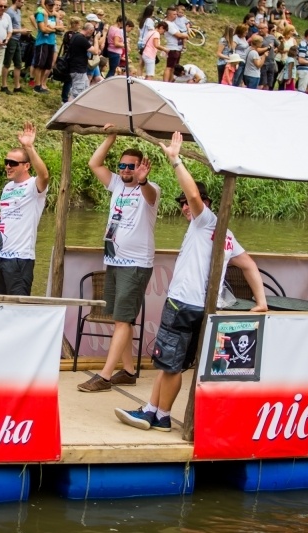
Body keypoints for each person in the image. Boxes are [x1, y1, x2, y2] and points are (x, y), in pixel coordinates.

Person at [114, 132, 267, 432]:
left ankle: (161, 414)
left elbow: (195, 198)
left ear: (207, 204)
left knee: (170, 365)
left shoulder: (205, 220)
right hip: (198, 307)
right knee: (168, 362)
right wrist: (260, 301)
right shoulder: (224, 232)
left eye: (189, 203)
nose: (186, 206)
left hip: (183, 305)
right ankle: (152, 411)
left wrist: (175, 160)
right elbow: (249, 265)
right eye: (182, 203)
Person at [77, 125, 161, 393]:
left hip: (135, 264)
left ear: (141, 168)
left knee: (124, 319)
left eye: (131, 166)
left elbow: (150, 195)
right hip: (114, 261)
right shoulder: (116, 184)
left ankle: (104, 376)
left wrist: (143, 181)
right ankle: (128, 371)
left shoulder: (150, 189)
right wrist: (110, 138)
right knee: (119, 317)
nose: (125, 170)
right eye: (122, 166)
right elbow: (94, 163)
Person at [0, 122, 50, 296]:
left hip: (19, 259)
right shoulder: (7, 188)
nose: (8, 166)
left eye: (13, 163)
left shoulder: (34, 187)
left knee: (17, 307)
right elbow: (2, 218)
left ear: (26, 166)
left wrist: (29, 147)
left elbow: (44, 175)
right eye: (6, 162)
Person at [1, 0, 29, 94]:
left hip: (17, 39)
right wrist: (21, 31)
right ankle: (4, 85)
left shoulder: (18, 11)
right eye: (21, 2)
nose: (23, 4)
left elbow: (17, 26)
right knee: (7, 63)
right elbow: (8, 28)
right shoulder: (9, 12)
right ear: (16, 1)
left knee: (18, 63)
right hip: (11, 39)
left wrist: (22, 31)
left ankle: (17, 86)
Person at [66, 21, 98, 100]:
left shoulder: (75, 36)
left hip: (78, 69)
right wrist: (96, 39)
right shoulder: (81, 39)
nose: (92, 34)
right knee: (76, 94)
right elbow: (95, 51)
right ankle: (69, 106)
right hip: (78, 70)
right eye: (92, 32)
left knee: (84, 90)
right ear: (89, 30)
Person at [162, 6, 188, 83]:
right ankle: (165, 82)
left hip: (177, 48)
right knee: (169, 67)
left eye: (176, 14)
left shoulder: (173, 23)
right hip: (172, 48)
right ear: (169, 15)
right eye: (174, 14)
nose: (176, 16)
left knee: (174, 67)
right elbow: (178, 35)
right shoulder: (168, 24)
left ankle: (170, 82)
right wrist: (186, 36)